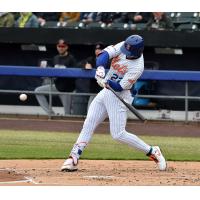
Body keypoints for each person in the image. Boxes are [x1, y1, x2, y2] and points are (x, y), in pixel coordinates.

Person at [61, 35, 167, 172]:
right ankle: (73, 158)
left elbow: (120, 87)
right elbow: (104, 55)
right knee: (89, 123)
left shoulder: (137, 67)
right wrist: (100, 68)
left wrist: (106, 81)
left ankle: (152, 151)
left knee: (118, 134)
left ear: (137, 51)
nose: (125, 52)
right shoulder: (125, 45)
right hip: (106, 92)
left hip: (120, 96)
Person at [35, 39, 77, 115]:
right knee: (38, 91)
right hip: (57, 86)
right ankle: (51, 113)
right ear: (57, 47)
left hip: (67, 90)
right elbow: (53, 72)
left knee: (68, 114)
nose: (61, 48)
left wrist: (64, 70)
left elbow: (75, 75)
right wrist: (46, 70)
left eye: (63, 46)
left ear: (66, 47)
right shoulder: (56, 58)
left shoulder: (71, 59)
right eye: (59, 46)